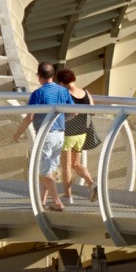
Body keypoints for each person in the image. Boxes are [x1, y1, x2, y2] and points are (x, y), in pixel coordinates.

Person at [10, 61, 71, 211]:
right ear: (53, 75)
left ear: (39, 76)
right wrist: (59, 121)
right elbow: (74, 111)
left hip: (46, 136)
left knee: (45, 171)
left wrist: (18, 132)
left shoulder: (38, 93)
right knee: (48, 169)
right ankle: (41, 201)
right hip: (60, 135)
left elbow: (30, 116)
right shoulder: (63, 91)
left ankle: (57, 203)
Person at [55, 66, 97, 202]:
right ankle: (92, 184)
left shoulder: (65, 94)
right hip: (82, 133)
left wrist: (62, 120)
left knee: (66, 167)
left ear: (61, 82)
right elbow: (92, 110)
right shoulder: (85, 92)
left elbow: (73, 112)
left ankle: (68, 196)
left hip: (68, 134)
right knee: (75, 164)